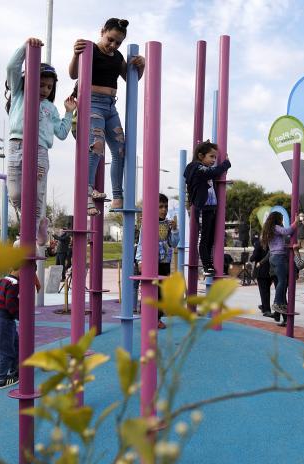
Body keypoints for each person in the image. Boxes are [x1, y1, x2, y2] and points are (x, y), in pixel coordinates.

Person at [69, 18, 145, 212]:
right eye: (110, 39)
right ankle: (86, 191)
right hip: (91, 104)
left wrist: (141, 66)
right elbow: (73, 74)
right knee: (97, 146)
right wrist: (76, 54)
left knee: (121, 148)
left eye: (118, 42)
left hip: (110, 107)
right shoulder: (90, 49)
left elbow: (131, 79)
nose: (113, 45)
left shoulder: (118, 56)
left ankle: (117, 196)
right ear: (102, 31)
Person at [6, 37, 76, 247]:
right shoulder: (20, 94)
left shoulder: (50, 108)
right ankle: (37, 225)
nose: (45, 89)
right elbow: (12, 66)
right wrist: (26, 48)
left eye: (49, 86)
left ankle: (31, 232)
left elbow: (62, 133)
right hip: (16, 145)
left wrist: (68, 112)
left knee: (36, 194)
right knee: (16, 194)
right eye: (41, 84)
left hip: (40, 151)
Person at [184, 140, 231, 277]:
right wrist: (226, 164)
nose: (214, 160)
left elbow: (214, 172)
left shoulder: (205, 170)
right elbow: (213, 172)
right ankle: (206, 265)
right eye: (211, 156)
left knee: (210, 237)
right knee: (204, 237)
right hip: (202, 208)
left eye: (215, 157)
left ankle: (209, 264)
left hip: (211, 208)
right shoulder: (195, 167)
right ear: (200, 156)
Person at [136, 194, 178, 329]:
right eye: (160, 207)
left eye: (165, 207)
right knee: (149, 290)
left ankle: (157, 318)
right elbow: (141, 243)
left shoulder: (169, 224)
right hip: (150, 263)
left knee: (162, 292)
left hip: (165, 262)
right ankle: (147, 318)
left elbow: (173, 243)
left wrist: (175, 230)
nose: (164, 210)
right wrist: (140, 260)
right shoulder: (148, 223)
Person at [261, 211, 297, 314]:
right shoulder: (275, 227)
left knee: (282, 281)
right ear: (277, 219)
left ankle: (281, 304)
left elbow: (277, 243)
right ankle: (277, 303)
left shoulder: (269, 229)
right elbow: (287, 231)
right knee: (282, 281)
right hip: (278, 256)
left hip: (273, 256)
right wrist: (296, 222)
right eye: (281, 219)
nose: (282, 221)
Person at [250, 233, 276, 318]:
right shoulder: (271, 244)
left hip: (261, 270)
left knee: (263, 291)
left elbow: (254, 257)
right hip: (270, 270)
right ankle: (264, 306)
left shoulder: (259, 244)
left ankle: (266, 310)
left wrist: (251, 258)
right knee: (267, 290)